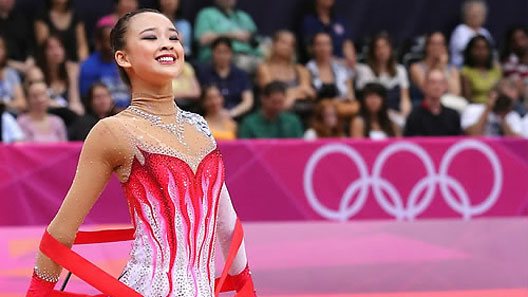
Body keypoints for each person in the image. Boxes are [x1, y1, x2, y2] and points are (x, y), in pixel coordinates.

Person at [26, 9, 256, 296]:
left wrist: (246, 288)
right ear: (124, 58)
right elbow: (61, 232)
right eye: (151, 37)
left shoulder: (200, 126)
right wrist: (38, 291)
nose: (167, 43)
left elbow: (226, 222)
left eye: (174, 37)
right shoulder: (113, 131)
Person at [356, 32, 411, 125]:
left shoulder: (400, 70)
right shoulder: (365, 71)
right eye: (378, 48)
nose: (382, 51)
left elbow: (405, 99)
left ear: (390, 49)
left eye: (385, 47)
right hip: (373, 117)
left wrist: (403, 115)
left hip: (396, 115)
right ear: (373, 51)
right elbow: (364, 101)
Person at [194, 0, 262, 71]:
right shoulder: (207, 14)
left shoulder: (243, 16)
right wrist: (232, 34)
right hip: (224, 59)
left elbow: (257, 39)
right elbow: (202, 40)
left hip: (253, 56)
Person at [256, 30, 315, 110]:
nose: (287, 46)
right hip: (275, 109)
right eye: (283, 42)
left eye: (291, 44)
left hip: (302, 109)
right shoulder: (264, 68)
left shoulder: (301, 69)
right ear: (273, 44)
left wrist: (291, 97)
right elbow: (272, 92)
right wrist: (297, 93)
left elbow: (308, 91)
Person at [198, 37, 253, 119]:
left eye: (226, 52)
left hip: (236, 117)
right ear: (213, 53)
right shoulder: (204, 73)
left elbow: (248, 101)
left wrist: (232, 113)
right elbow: (202, 99)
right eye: (218, 52)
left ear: (231, 54)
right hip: (209, 118)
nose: (222, 56)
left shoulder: (241, 74)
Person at [79, 22, 130, 109]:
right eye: (108, 41)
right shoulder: (88, 66)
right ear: (99, 42)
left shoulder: (126, 61)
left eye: (115, 41)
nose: (113, 45)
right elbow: (88, 101)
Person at [306, 32, 357, 117]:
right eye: (319, 44)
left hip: (342, 114)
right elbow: (309, 98)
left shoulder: (342, 69)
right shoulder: (307, 70)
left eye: (327, 44)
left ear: (331, 47)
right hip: (316, 116)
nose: (323, 48)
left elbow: (351, 98)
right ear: (313, 47)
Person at [404, 69, 462, 136]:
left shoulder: (453, 116)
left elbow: (458, 142)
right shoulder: (415, 116)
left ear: (445, 86)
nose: (437, 87)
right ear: (424, 86)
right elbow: (408, 143)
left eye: (441, 83)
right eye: (433, 82)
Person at [37, 35, 84, 116]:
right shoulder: (37, 73)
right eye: (51, 48)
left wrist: (72, 78)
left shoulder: (69, 71)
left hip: (66, 116)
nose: (56, 52)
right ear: (43, 52)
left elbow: (75, 103)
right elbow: (39, 102)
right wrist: (64, 107)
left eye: (59, 47)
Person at [239, 81, 303, 139]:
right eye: (274, 102)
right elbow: (244, 148)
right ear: (263, 99)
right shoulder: (249, 123)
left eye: (280, 102)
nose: (277, 106)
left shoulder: (293, 121)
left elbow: (300, 145)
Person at [410, 32, 461, 96]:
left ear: (445, 47)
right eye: (433, 44)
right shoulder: (416, 68)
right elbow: (427, 90)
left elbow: (455, 93)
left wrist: (443, 67)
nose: (436, 47)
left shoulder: (453, 70)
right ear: (427, 46)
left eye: (440, 44)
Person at [449, 0, 493, 68]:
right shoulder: (460, 30)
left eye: (479, 13)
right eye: (473, 13)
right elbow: (466, 51)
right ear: (466, 14)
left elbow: (491, 53)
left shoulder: (485, 33)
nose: (476, 16)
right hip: (461, 68)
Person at [461, 35, 502, 104]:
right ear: (470, 51)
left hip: (496, 107)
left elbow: (502, 93)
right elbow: (467, 98)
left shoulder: (496, 70)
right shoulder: (466, 71)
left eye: (484, 48)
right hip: (475, 108)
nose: (481, 52)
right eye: (477, 48)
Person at [0, 0, 35, 73]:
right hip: (4, 66)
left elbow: (30, 44)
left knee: (36, 75)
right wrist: (10, 63)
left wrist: (30, 60)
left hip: (25, 65)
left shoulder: (22, 18)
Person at [0, 35, 26, 114]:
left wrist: (4, 104)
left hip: (10, 115)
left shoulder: (11, 73)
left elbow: (22, 103)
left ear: (5, 51)